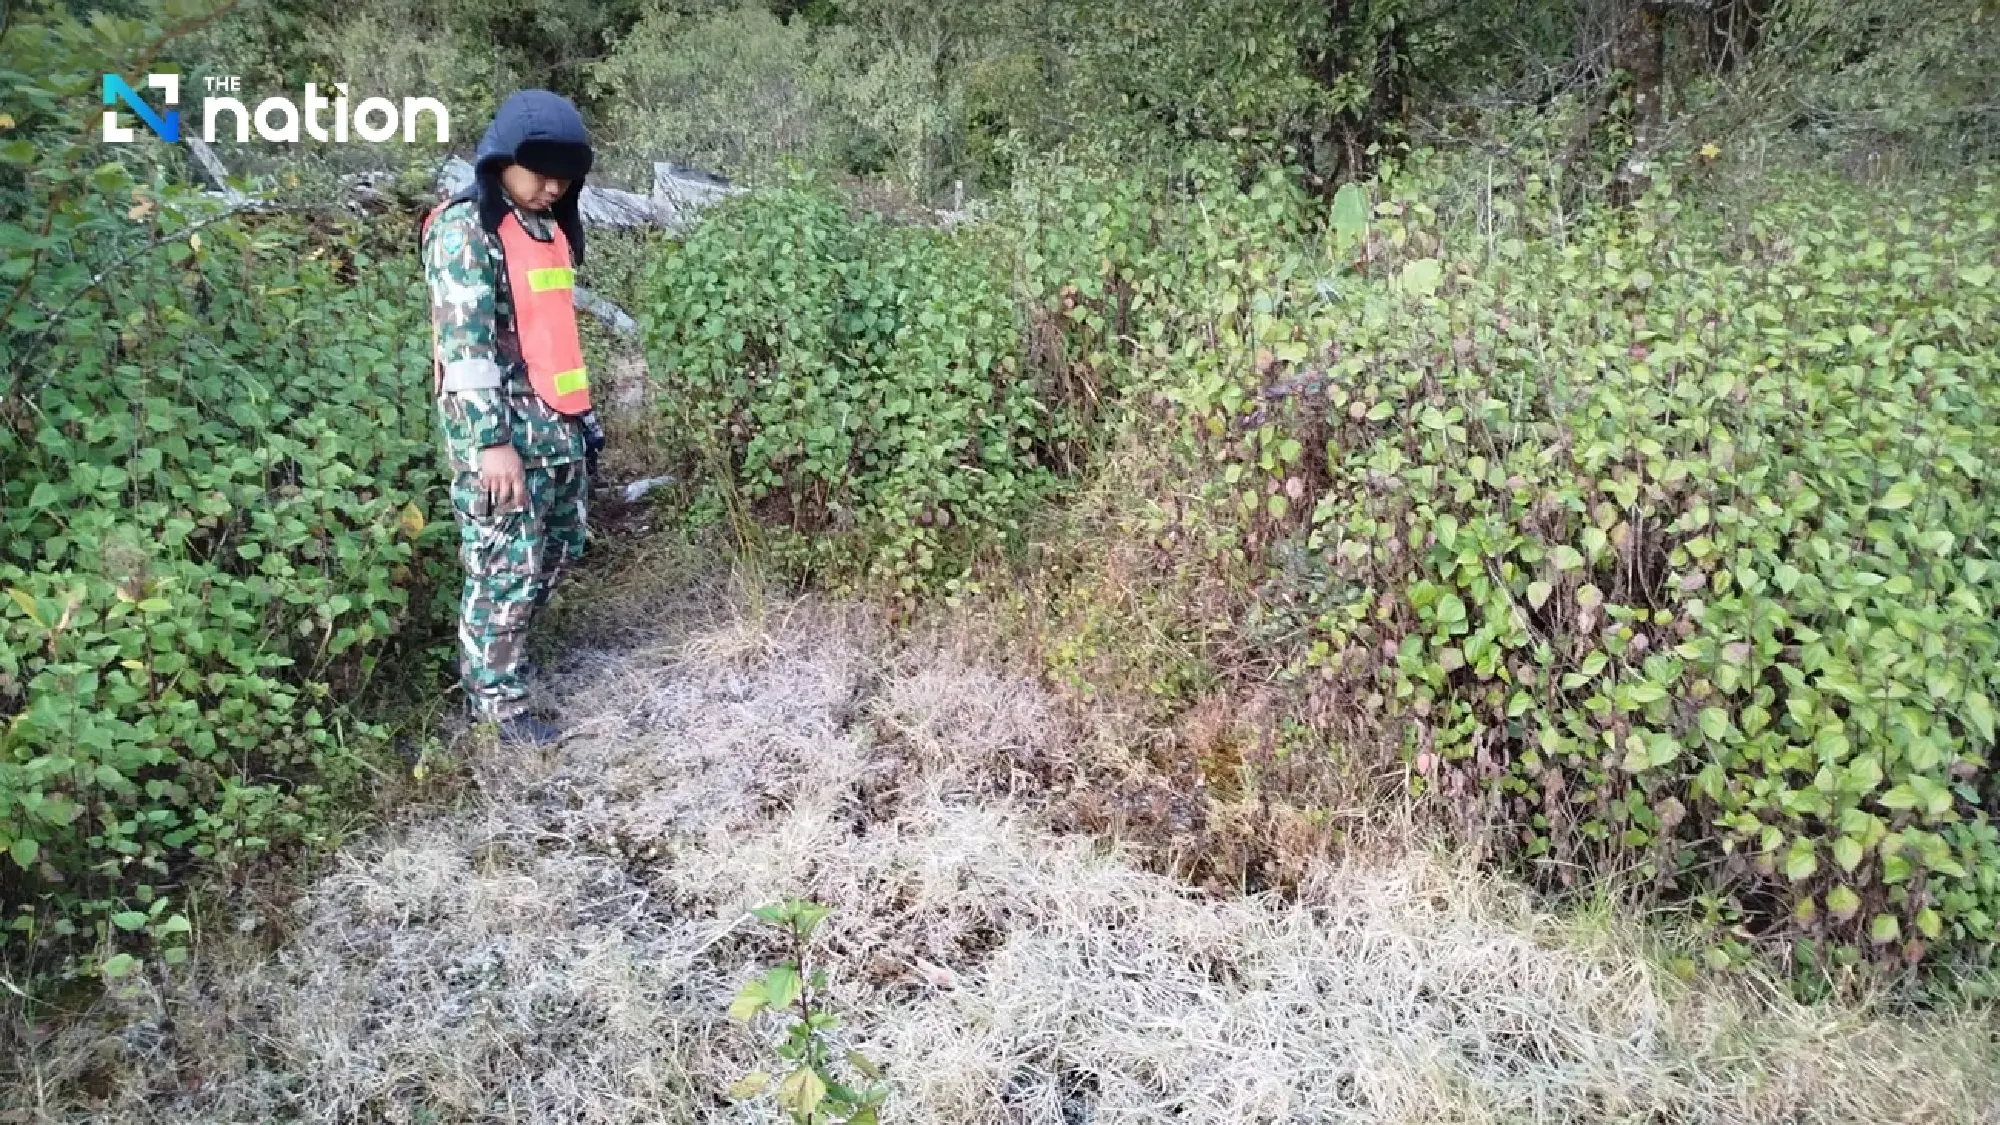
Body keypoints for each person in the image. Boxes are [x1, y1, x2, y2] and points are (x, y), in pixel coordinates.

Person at [419, 89, 606, 747]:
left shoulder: (543, 225)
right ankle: (496, 706)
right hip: (504, 441)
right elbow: (464, 350)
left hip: (557, 430)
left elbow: (550, 339)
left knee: (553, 556)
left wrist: (581, 425)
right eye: (542, 173)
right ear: (503, 158)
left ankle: (504, 663)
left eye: (565, 177)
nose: (554, 187)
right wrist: (490, 444)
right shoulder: (464, 230)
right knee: (504, 572)